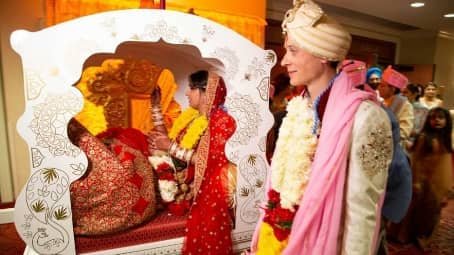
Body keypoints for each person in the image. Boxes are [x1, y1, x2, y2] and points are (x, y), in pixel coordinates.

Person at [249, 1, 393, 254]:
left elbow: (362, 212)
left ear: (324, 54)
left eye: (293, 51)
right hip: (283, 237)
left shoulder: (366, 117)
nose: (284, 61)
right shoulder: (298, 107)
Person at [149, 70, 236, 255]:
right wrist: (155, 107)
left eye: (190, 88)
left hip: (187, 184)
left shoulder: (220, 122)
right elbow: (168, 141)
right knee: (126, 140)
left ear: (205, 91)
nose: (186, 93)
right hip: (172, 169)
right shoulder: (193, 117)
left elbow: (210, 161)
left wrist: (170, 148)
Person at [388, 107, 453, 250]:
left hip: (436, 183)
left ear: (447, 121)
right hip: (422, 180)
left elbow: (445, 165)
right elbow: (417, 161)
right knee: (414, 210)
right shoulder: (425, 138)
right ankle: (405, 236)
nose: (436, 121)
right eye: (433, 118)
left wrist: (447, 188)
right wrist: (416, 181)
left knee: (431, 211)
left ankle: (423, 236)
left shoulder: (445, 140)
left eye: (440, 118)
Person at [377, 66, 414, 149]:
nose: (378, 88)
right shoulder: (380, 101)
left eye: (382, 86)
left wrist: (383, 138)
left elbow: (404, 131)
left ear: (392, 89)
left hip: (393, 147)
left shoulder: (404, 105)